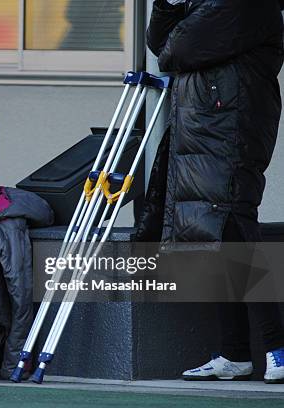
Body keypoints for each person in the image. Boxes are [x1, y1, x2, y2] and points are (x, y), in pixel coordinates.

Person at [137, 0, 284, 383]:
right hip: (205, 128)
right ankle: (234, 353)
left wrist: (179, 12)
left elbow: (176, 50)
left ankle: (276, 347)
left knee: (236, 230)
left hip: (231, 127)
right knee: (216, 237)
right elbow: (157, 41)